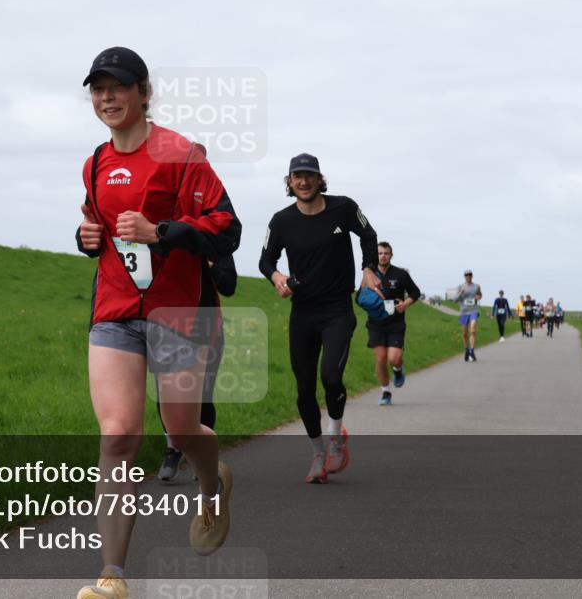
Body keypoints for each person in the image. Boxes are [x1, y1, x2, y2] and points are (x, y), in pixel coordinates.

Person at [75, 47, 242, 599]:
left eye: (117, 88)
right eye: (97, 89)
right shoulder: (95, 162)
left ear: (144, 93)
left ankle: (212, 482)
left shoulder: (181, 153)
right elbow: (97, 227)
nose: (107, 98)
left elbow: (226, 228)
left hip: (179, 313)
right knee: (119, 434)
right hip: (116, 314)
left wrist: (163, 232)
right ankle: (112, 576)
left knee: (181, 429)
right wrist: (85, 240)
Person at [259, 153, 381, 483]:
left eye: (309, 175)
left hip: (338, 309)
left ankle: (335, 436)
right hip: (303, 312)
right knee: (303, 389)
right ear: (289, 181)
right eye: (297, 176)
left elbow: (369, 236)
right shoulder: (281, 221)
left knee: (330, 376)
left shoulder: (343, 207)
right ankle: (317, 453)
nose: (303, 181)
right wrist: (277, 278)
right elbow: (265, 260)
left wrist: (369, 268)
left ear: (319, 178)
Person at [157, 255, 236, 481]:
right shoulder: (162, 232)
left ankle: (202, 457)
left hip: (205, 324)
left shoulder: (213, 241)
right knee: (166, 393)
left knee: (203, 394)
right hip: (168, 322)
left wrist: (211, 267)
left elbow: (229, 285)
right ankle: (173, 448)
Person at [367, 241, 420, 405]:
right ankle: (385, 392)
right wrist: (368, 303)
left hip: (395, 323)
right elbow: (359, 297)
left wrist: (405, 304)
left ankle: (397, 370)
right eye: (380, 253)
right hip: (376, 324)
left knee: (394, 358)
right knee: (381, 358)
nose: (383, 256)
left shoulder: (401, 274)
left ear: (391, 255)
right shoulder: (369, 274)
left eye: (386, 253)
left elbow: (415, 292)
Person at [455, 270, 483, 361]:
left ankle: (472, 351)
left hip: (473, 310)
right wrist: (460, 293)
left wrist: (478, 297)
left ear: (472, 276)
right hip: (464, 312)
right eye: (466, 275)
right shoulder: (460, 286)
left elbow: (480, 295)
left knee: (473, 329)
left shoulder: (476, 286)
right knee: (464, 333)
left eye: (470, 275)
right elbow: (455, 300)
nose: (468, 276)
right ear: (464, 276)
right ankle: (466, 349)